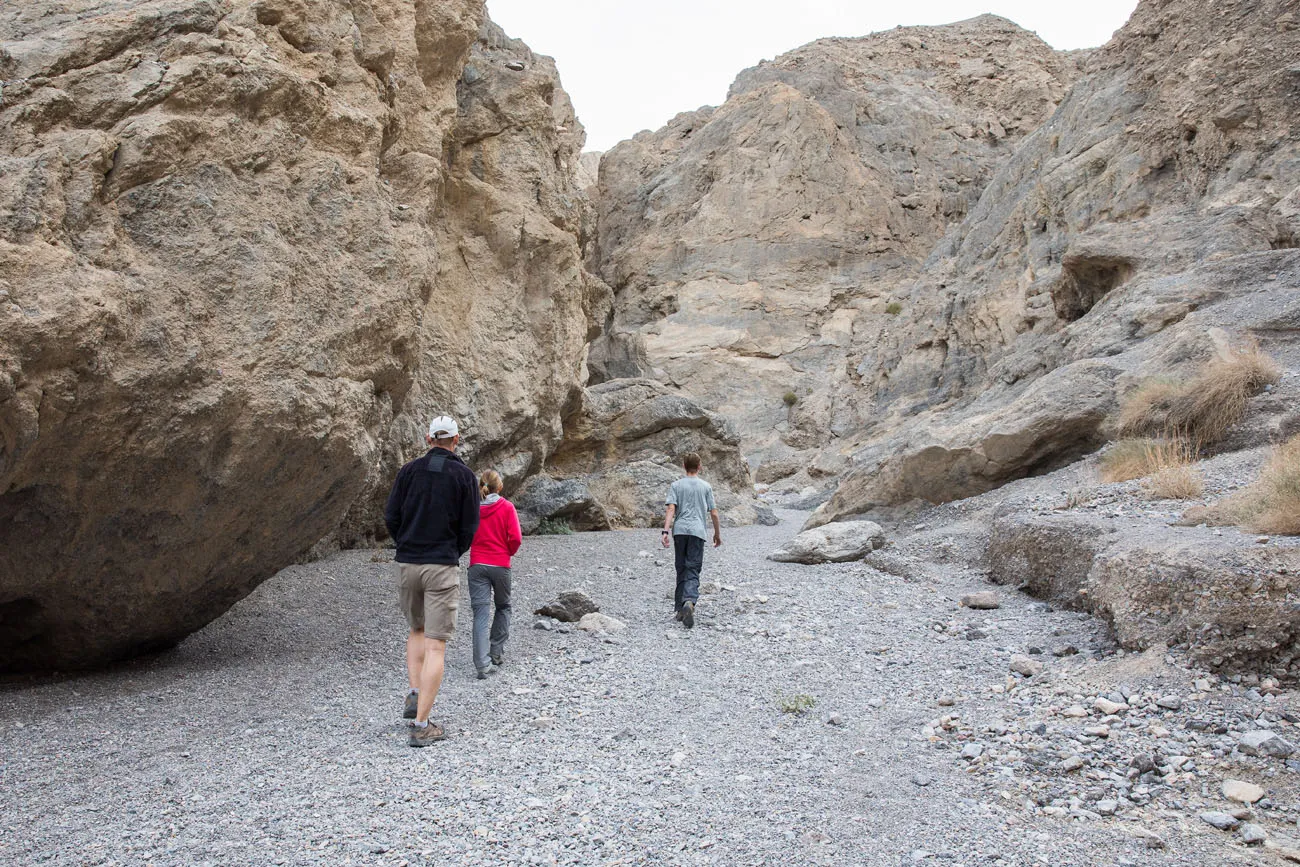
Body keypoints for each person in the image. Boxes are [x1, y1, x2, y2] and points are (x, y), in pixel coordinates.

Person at [383, 415, 479, 747]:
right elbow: (469, 526)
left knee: (416, 630)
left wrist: (405, 542)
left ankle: (413, 691)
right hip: (440, 564)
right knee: (437, 644)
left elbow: (391, 515)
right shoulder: (465, 476)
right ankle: (422, 725)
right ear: (456, 439)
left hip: (408, 562)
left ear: (428, 439)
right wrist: (454, 550)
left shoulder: (407, 472)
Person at [468, 470, 522, 680]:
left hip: (477, 564)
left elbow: (465, 532)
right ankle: (496, 653)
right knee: (503, 606)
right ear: (499, 487)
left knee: (480, 613)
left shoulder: (472, 508)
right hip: (500, 564)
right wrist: (507, 552)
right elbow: (515, 537)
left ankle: (482, 664)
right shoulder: (507, 507)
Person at [660, 452, 721, 629]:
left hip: (679, 531)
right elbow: (714, 513)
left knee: (681, 567)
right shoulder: (706, 486)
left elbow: (671, 509)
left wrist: (665, 530)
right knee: (693, 568)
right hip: (697, 532)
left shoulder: (676, 485)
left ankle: (680, 609)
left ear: (684, 466)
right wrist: (717, 534)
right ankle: (689, 601)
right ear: (699, 466)